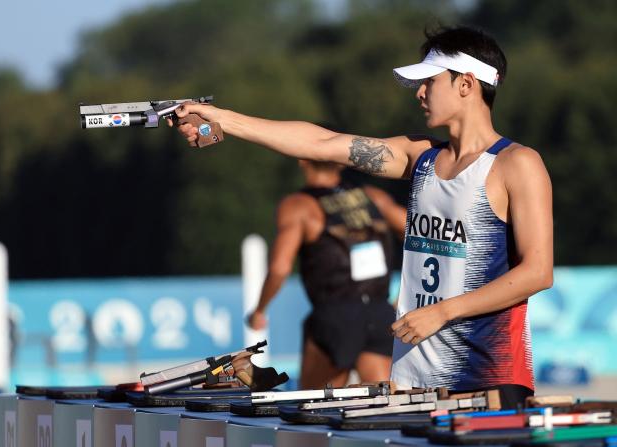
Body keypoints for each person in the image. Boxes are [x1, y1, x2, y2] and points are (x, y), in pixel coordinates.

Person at [170, 26, 553, 408]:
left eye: (429, 82)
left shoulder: (517, 164)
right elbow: (319, 143)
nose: (419, 93)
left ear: (466, 84)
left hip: (488, 374)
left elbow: (538, 271)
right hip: (414, 376)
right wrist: (221, 118)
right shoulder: (419, 156)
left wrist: (442, 312)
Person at [246, 159, 406, 389]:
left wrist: (259, 311)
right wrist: (403, 296)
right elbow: (424, 238)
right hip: (380, 313)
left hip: (335, 316)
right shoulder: (373, 197)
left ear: (301, 161)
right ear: (341, 163)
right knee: (385, 405)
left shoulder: (299, 205)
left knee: (312, 406)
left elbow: (280, 268)